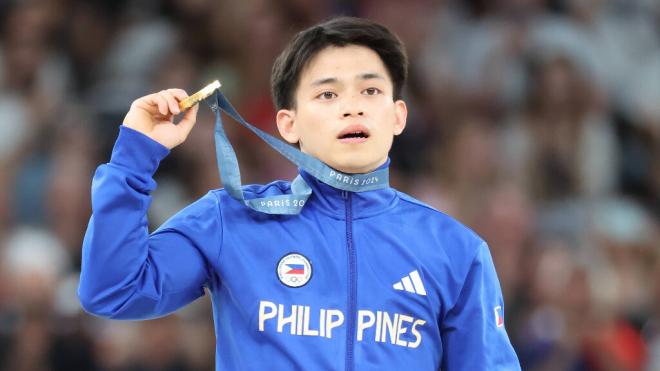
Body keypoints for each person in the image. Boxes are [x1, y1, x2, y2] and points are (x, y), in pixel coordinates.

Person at [78, 16, 521, 370]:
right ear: (288, 125)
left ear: (398, 116)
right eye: (327, 94)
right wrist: (133, 157)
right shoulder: (230, 220)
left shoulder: (456, 252)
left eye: (370, 90)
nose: (353, 105)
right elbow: (114, 289)